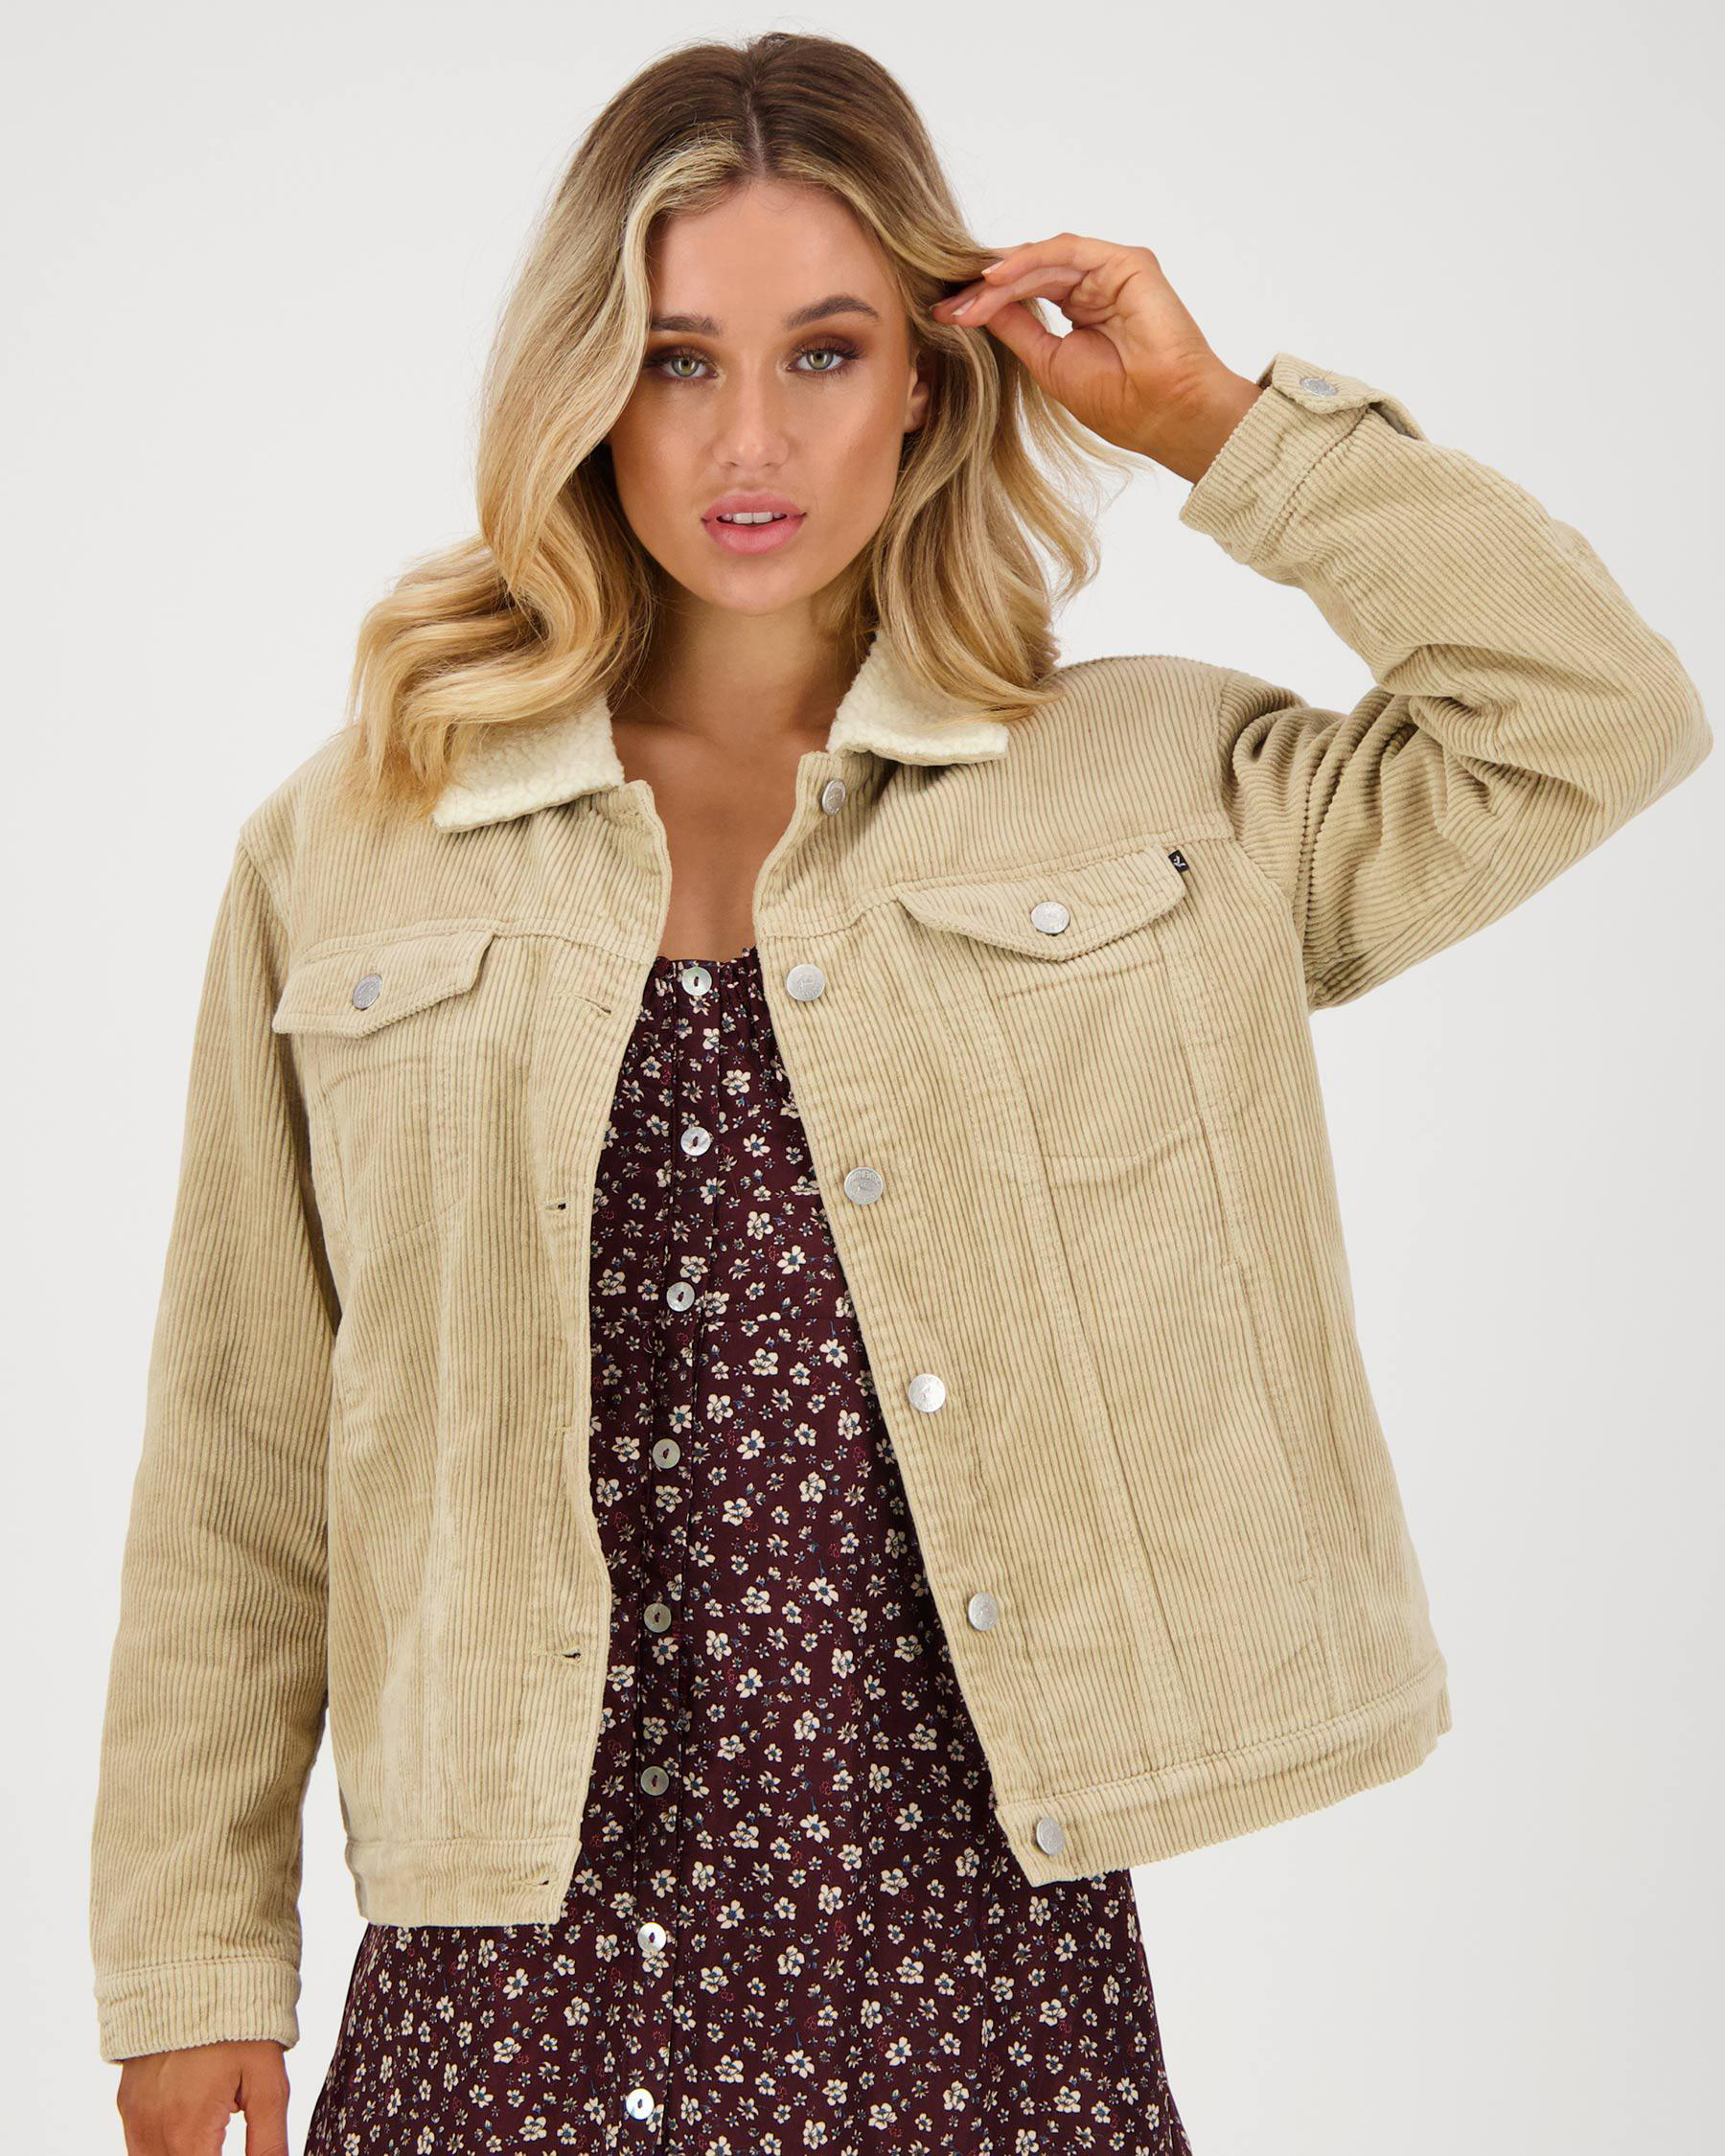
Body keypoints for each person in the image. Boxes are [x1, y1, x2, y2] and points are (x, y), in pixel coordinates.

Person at [89, 29, 1710, 2156]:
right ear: (586, 386)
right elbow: (240, 1444)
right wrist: (196, 1962)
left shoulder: (1152, 785)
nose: (749, 438)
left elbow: (1589, 716)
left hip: (974, 1971)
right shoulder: (360, 838)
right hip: (507, 1981)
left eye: (827, 352)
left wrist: (1217, 426)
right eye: (678, 360)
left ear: (931, 381)